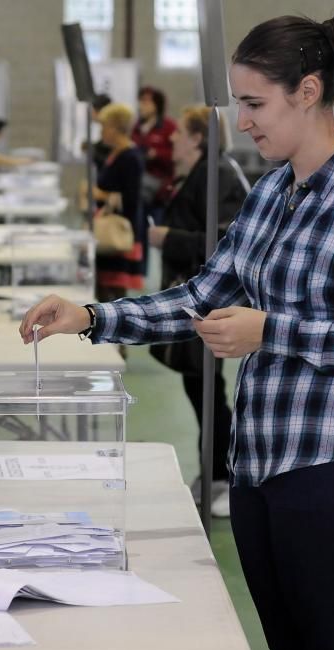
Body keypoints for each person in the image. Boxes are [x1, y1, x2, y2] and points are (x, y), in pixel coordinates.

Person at [20, 12, 334, 650]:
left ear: (307, 91)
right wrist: (90, 317)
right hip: (260, 465)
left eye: (254, 104)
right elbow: (201, 296)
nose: (242, 122)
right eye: (239, 103)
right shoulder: (273, 191)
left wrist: (273, 331)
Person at [147, 106, 250, 518]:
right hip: (195, 298)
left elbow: (222, 243)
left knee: (210, 393)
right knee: (201, 389)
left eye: (178, 133)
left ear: (196, 137)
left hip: (209, 300)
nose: (170, 138)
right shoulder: (201, 174)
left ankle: (223, 475)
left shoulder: (214, 174)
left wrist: (168, 238)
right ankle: (213, 472)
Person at [94, 103, 146, 301]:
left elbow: (130, 198)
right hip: (106, 223)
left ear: (116, 128)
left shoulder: (130, 157)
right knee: (103, 286)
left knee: (114, 288)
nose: (102, 132)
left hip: (119, 228)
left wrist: (99, 195)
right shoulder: (114, 153)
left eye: (104, 127)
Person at [132, 86, 178, 213]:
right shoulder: (136, 127)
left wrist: (156, 154)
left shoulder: (169, 127)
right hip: (140, 180)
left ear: (157, 104)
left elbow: (177, 154)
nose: (142, 105)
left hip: (161, 185)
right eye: (141, 101)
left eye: (147, 101)